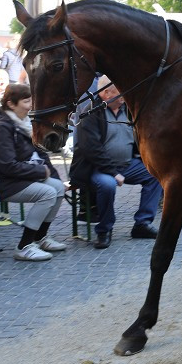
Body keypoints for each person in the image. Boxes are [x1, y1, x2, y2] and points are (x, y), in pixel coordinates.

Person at [0, 83, 67, 261]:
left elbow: (40, 153)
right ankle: (24, 246)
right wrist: (40, 172)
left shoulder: (25, 123)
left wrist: (53, 175)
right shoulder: (0, 128)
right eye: (27, 101)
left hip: (15, 176)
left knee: (57, 187)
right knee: (47, 193)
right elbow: (7, 165)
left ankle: (40, 237)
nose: (32, 105)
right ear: (11, 104)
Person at [69, 82, 163, 249]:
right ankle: (104, 230)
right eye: (120, 94)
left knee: (155, 174)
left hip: (126, 164)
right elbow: (91, 149)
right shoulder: (90, 113)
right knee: (107, 185)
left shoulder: (126, 110)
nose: (123, 97)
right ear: (106, 93)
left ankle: (142, 223)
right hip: (97, 167)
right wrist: (113, 172)